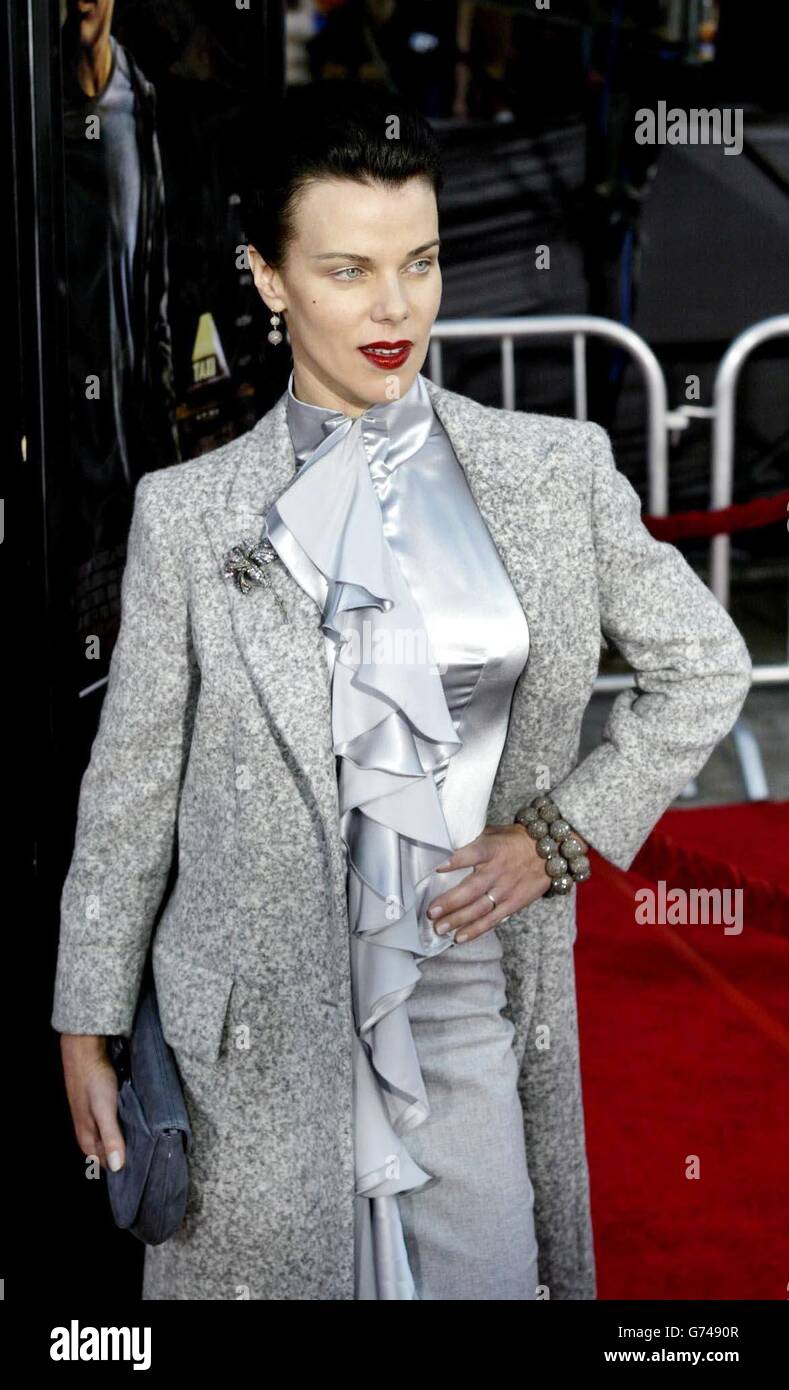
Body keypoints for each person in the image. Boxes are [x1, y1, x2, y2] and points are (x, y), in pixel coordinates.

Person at [51, 81, 752, 1301]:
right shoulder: (189, 513)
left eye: (419, 262)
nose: (395, 308)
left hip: (463, 1006)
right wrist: (85, 1015)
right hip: (254, 1043)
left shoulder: (548, 472)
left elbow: (707, 666)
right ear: (268, 279)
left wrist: (556, 835)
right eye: (347, 270)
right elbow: (130, 795)